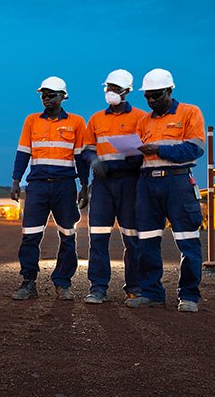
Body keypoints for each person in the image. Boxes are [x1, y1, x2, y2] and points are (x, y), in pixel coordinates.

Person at [125, 68, 206, 313]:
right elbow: (138, 155)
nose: (151, 101)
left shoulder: (190, 113)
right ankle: (152, 293)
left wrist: (157, 150)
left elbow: (194, 149)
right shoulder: (143, 121)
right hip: (147, 184)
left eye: (156, 95)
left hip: (178, 182)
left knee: (187, 240)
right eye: (147, 96)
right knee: (147, 240)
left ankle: (189, 296)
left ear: (170, 90)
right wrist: (128, 155)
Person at [10, 76, 90, 300]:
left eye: (51, 94)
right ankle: (28, 281)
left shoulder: (76, 122)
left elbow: (81, 157)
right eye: (43, 95)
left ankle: (63, 282)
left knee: (67, 235)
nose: (46, 98)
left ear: (63, 96)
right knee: (30, 235)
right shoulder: (31, 121)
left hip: (65, 187)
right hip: (37, 187)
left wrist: (84, 185)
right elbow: (23, 153)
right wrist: (16, 181)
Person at [79, 69, 145, 304]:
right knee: (97, 236)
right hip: (103, 184)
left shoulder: (140, 117)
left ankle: (134, 287)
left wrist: (136, 158)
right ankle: (98, 287)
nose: (111, 92)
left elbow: (147, 149)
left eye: (116, 89)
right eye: (108, 87)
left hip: (130, 182)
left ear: (127, 91)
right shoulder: (96, 119)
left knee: (132, 237)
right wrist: (94, 161)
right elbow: (87, 149)